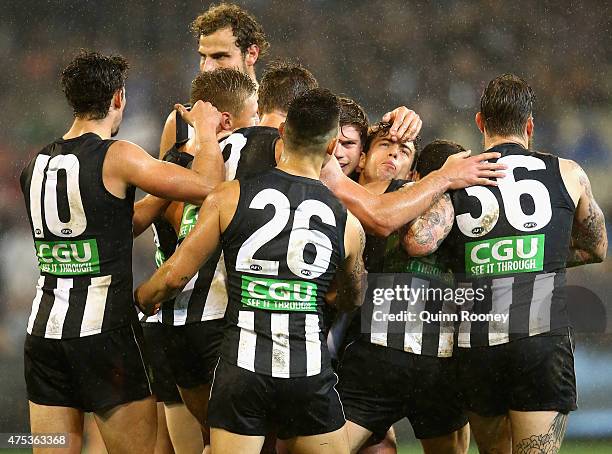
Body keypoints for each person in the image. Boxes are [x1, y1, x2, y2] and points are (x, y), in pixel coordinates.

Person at [136, 88, 365, 454]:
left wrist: (140, 298)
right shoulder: (345, 221)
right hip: (307, 374)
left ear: (283, 133)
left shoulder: (229, 196)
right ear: (331, 146)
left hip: (242, 371)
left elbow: (174, 277)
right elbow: (352, 295)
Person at [19, 50, 222, 454]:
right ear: (118, 98)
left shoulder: (36, 164)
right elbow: (207, 187)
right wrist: (207, 130)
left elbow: (117, 226)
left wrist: (169, 171)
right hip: (105, 335)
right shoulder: (117, 154)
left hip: (44, 337)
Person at [403, 74, 608, 454]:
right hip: (540, 340)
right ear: (530, 126)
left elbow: (419, 241)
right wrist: (532, 255)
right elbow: (596, 248)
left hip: (478, 342)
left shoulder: (459, 177)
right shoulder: (568, 172)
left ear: (480, 123)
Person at [338, 139, 470, 454]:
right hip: (413, 358)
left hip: (388, 356)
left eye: (404, 152)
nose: (394, 154)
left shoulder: (386, 199)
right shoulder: (381, 198)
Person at [159, 2, 269, 157]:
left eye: (220, 56)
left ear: (251, 54)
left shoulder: (280, 118)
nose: (207, 68)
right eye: (203, 56)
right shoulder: (181, 123)